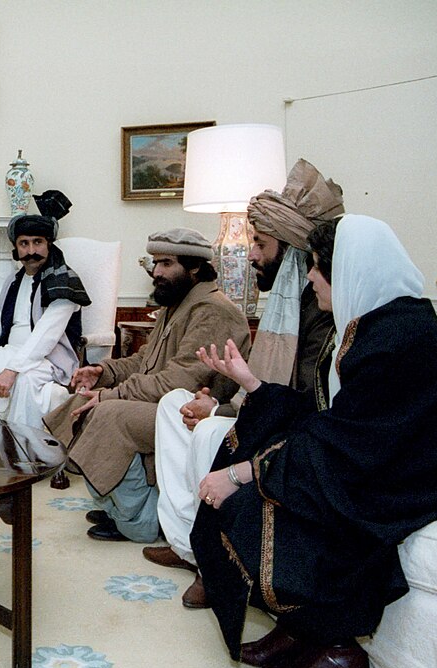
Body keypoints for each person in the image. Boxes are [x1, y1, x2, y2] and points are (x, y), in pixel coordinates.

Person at [190, 215, 437, 668]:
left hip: (411, 480)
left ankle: (337, 645)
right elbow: (327, 418)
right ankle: (302, 628)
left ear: (348, 270)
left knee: (254, 505)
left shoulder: (403, 339)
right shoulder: (367, 326)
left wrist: (243, 473)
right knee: (256, 470)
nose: (310, 277)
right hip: (373, 463)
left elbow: (350, 442)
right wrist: (252, 383)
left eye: (317, 267)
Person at [146, 159, 341, 607]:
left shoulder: (320, 309)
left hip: (294, 430)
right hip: (260, 411)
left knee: (209, 428)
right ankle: (186, 545)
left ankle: (211, 558)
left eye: (260, 243)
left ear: (290, 249)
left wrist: (219, 411)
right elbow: (254, 377)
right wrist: (215, 394)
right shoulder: (286, 303)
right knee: (175, 403)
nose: (251, 253)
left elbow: (304, 401)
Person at [44, 228, 250, 544]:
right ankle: (115, 505)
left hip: (193, 414)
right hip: (163, 403)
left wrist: (110, 395)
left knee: (109, 414)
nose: (156, 272)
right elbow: (145, 360)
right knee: (79, 403)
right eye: (155, 263)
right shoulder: (177, 304)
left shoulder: (211, 310)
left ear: (194, 267)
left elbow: (179, 381)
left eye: (166, 263)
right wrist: (103, 372)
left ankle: (140, 521)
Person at [0, 190, 90, 429]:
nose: (31, 250)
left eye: (37, 242)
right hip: (10, 353)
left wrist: (11, 370)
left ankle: (23, 450)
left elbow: (46, 336)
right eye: (24, 244)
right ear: (16, 248)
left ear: (48, 244)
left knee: (24, 381)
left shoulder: (64, 282)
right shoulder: (13, 281)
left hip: (49, 360)